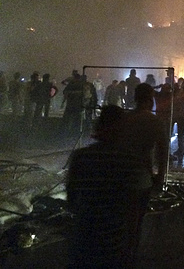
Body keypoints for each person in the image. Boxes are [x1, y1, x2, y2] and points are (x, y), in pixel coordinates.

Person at [66, 105, 152, 268]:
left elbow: (72, 200)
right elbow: (134, 209)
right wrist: (130, 247)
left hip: (83, 240)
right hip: (114, 242)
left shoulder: (81, 157)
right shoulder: (130, 161)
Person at [113, 83, 169, 191]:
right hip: (143, 176)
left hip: (122, 174)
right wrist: (160, 176)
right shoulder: (155, 121)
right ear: (150, 99)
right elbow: (162, 151)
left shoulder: (124, 119)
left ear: (135, 98)